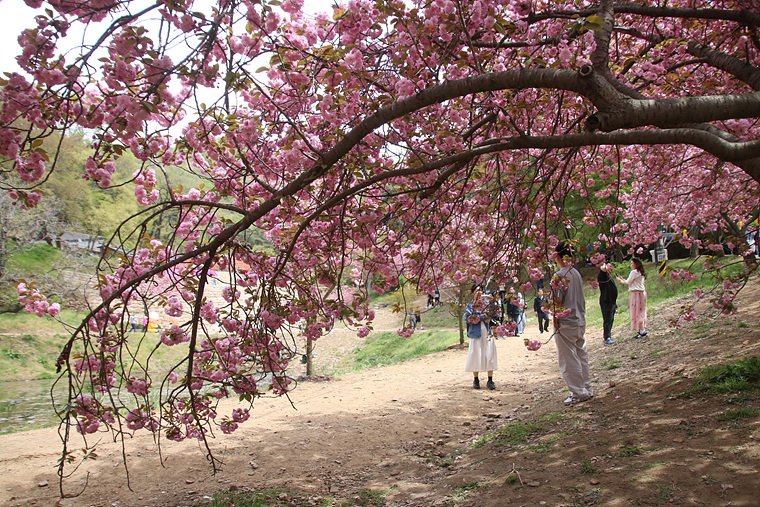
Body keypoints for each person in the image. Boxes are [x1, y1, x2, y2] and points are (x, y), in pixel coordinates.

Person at [551, 240, 593, 405]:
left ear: (558, 256)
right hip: (579, 320)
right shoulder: (576, 273)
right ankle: (587, 388)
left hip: (566, 323)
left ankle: (578, 392)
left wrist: (555, 320)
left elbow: (558, 302)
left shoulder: (559, 276)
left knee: (569, 359)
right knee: (581, 355)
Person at [464, 284, 497, 390]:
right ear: (473, 292)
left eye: (481, 290)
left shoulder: (487, 304)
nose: (480, 293)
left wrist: (492, 302)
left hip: (487, 332)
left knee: (489, 354)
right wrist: (482, 316)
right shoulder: (470, 306)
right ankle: (476, 379)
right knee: (476, 355)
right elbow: (469, 318)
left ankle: (490, 380)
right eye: (477, 290)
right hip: (475, 333)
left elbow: (492, 314)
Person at [617, 257, 648, 338]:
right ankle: (642, 329)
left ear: (636, 264)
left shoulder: (634, 272)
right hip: (642, 293)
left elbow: (627, 282)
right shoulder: (640, 272)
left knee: (637, 312)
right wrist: (623, 280)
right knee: (642, 311)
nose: (631, 265)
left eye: (632, 263)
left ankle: (642, 330)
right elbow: (631, 282)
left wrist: (620, 280)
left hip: (636, 294)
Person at [597, 260, 618, 345]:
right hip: (606, 302)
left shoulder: (608, 277)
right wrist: (604, 266)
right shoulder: (602, 276)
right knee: (607, 320)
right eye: (610, 266)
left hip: (611, 302)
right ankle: (607, 338)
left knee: (611, 319)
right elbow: (602, 270)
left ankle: (609, 336)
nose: (611, 268)